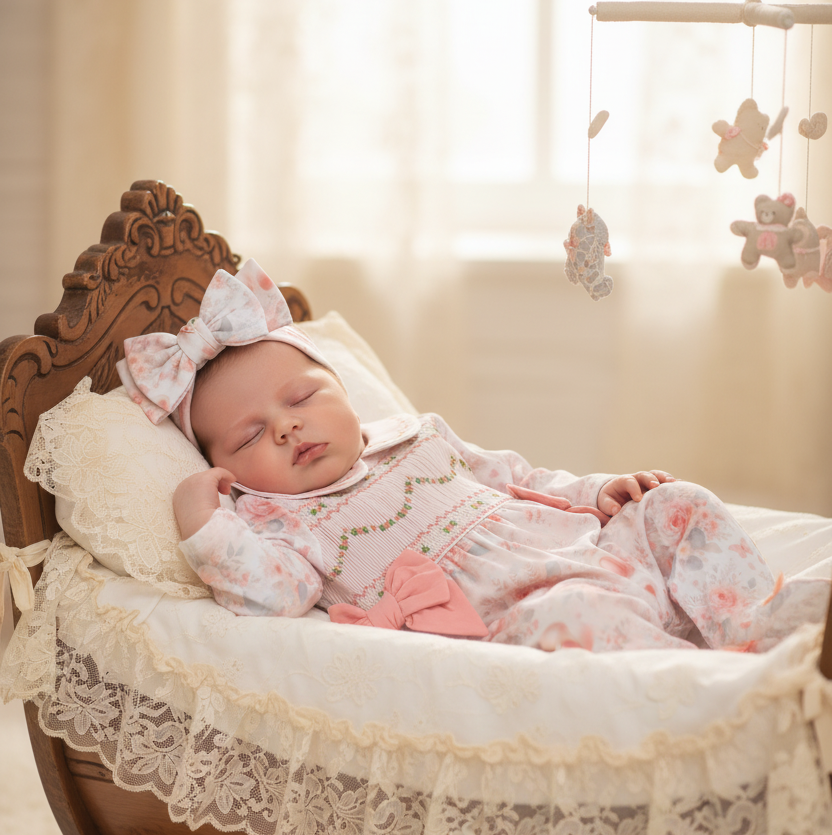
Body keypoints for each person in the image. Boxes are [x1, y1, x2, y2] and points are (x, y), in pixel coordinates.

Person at [118, 260, 830, 653]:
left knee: (676, 503)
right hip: (526, 609)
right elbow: (269, 598)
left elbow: (520, 477)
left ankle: (753, 625)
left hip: (587, 548)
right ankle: (711, 686)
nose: (285, 428)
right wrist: (203, 522)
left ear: (342, 392)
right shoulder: (280, 525)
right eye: (248, 437)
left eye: (302, 397)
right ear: (230, 472)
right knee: (576, 617)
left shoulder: (414, 435)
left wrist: (598, 492)